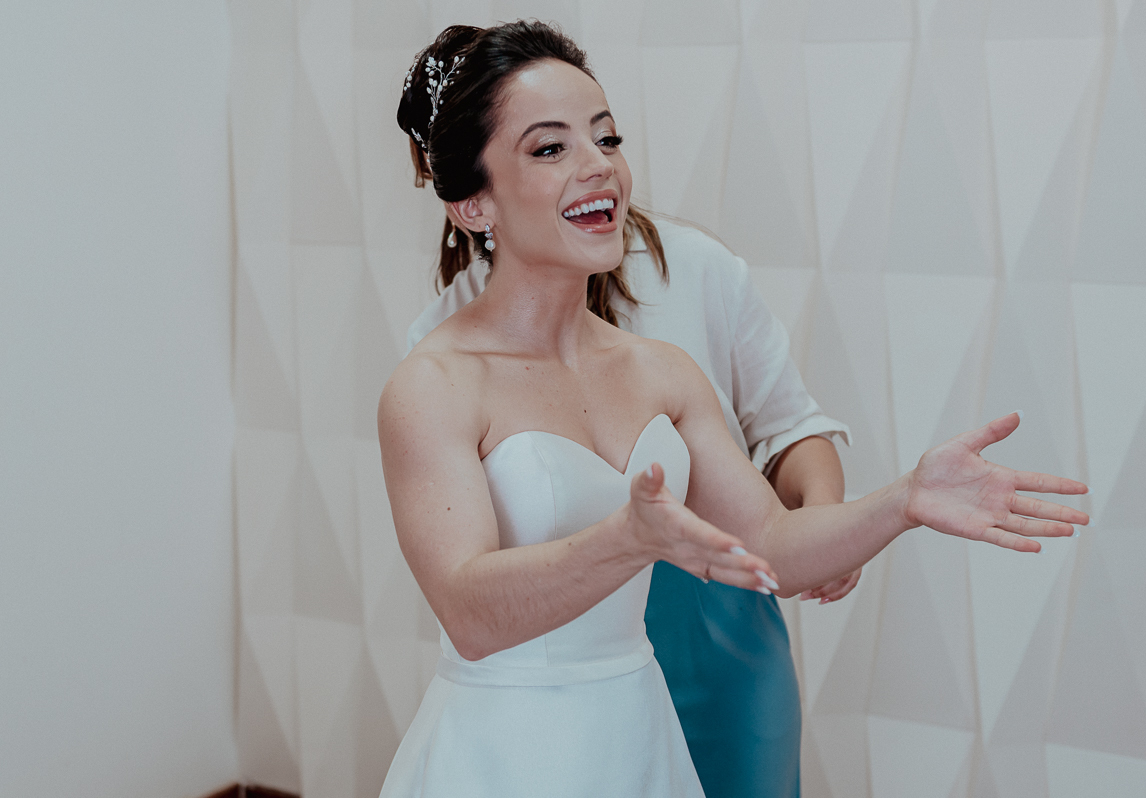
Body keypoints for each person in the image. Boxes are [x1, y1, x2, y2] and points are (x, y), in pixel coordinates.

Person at [377, 21, 1088, 798]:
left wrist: (905, 500)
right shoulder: (434, 382)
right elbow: (472, 617)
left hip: (638, 737)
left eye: (607, 139)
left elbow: (772, 547)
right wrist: (623, 541)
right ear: (474, 204)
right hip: (506, 753)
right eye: (551, 149)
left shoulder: (661, 371)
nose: (599, 168)